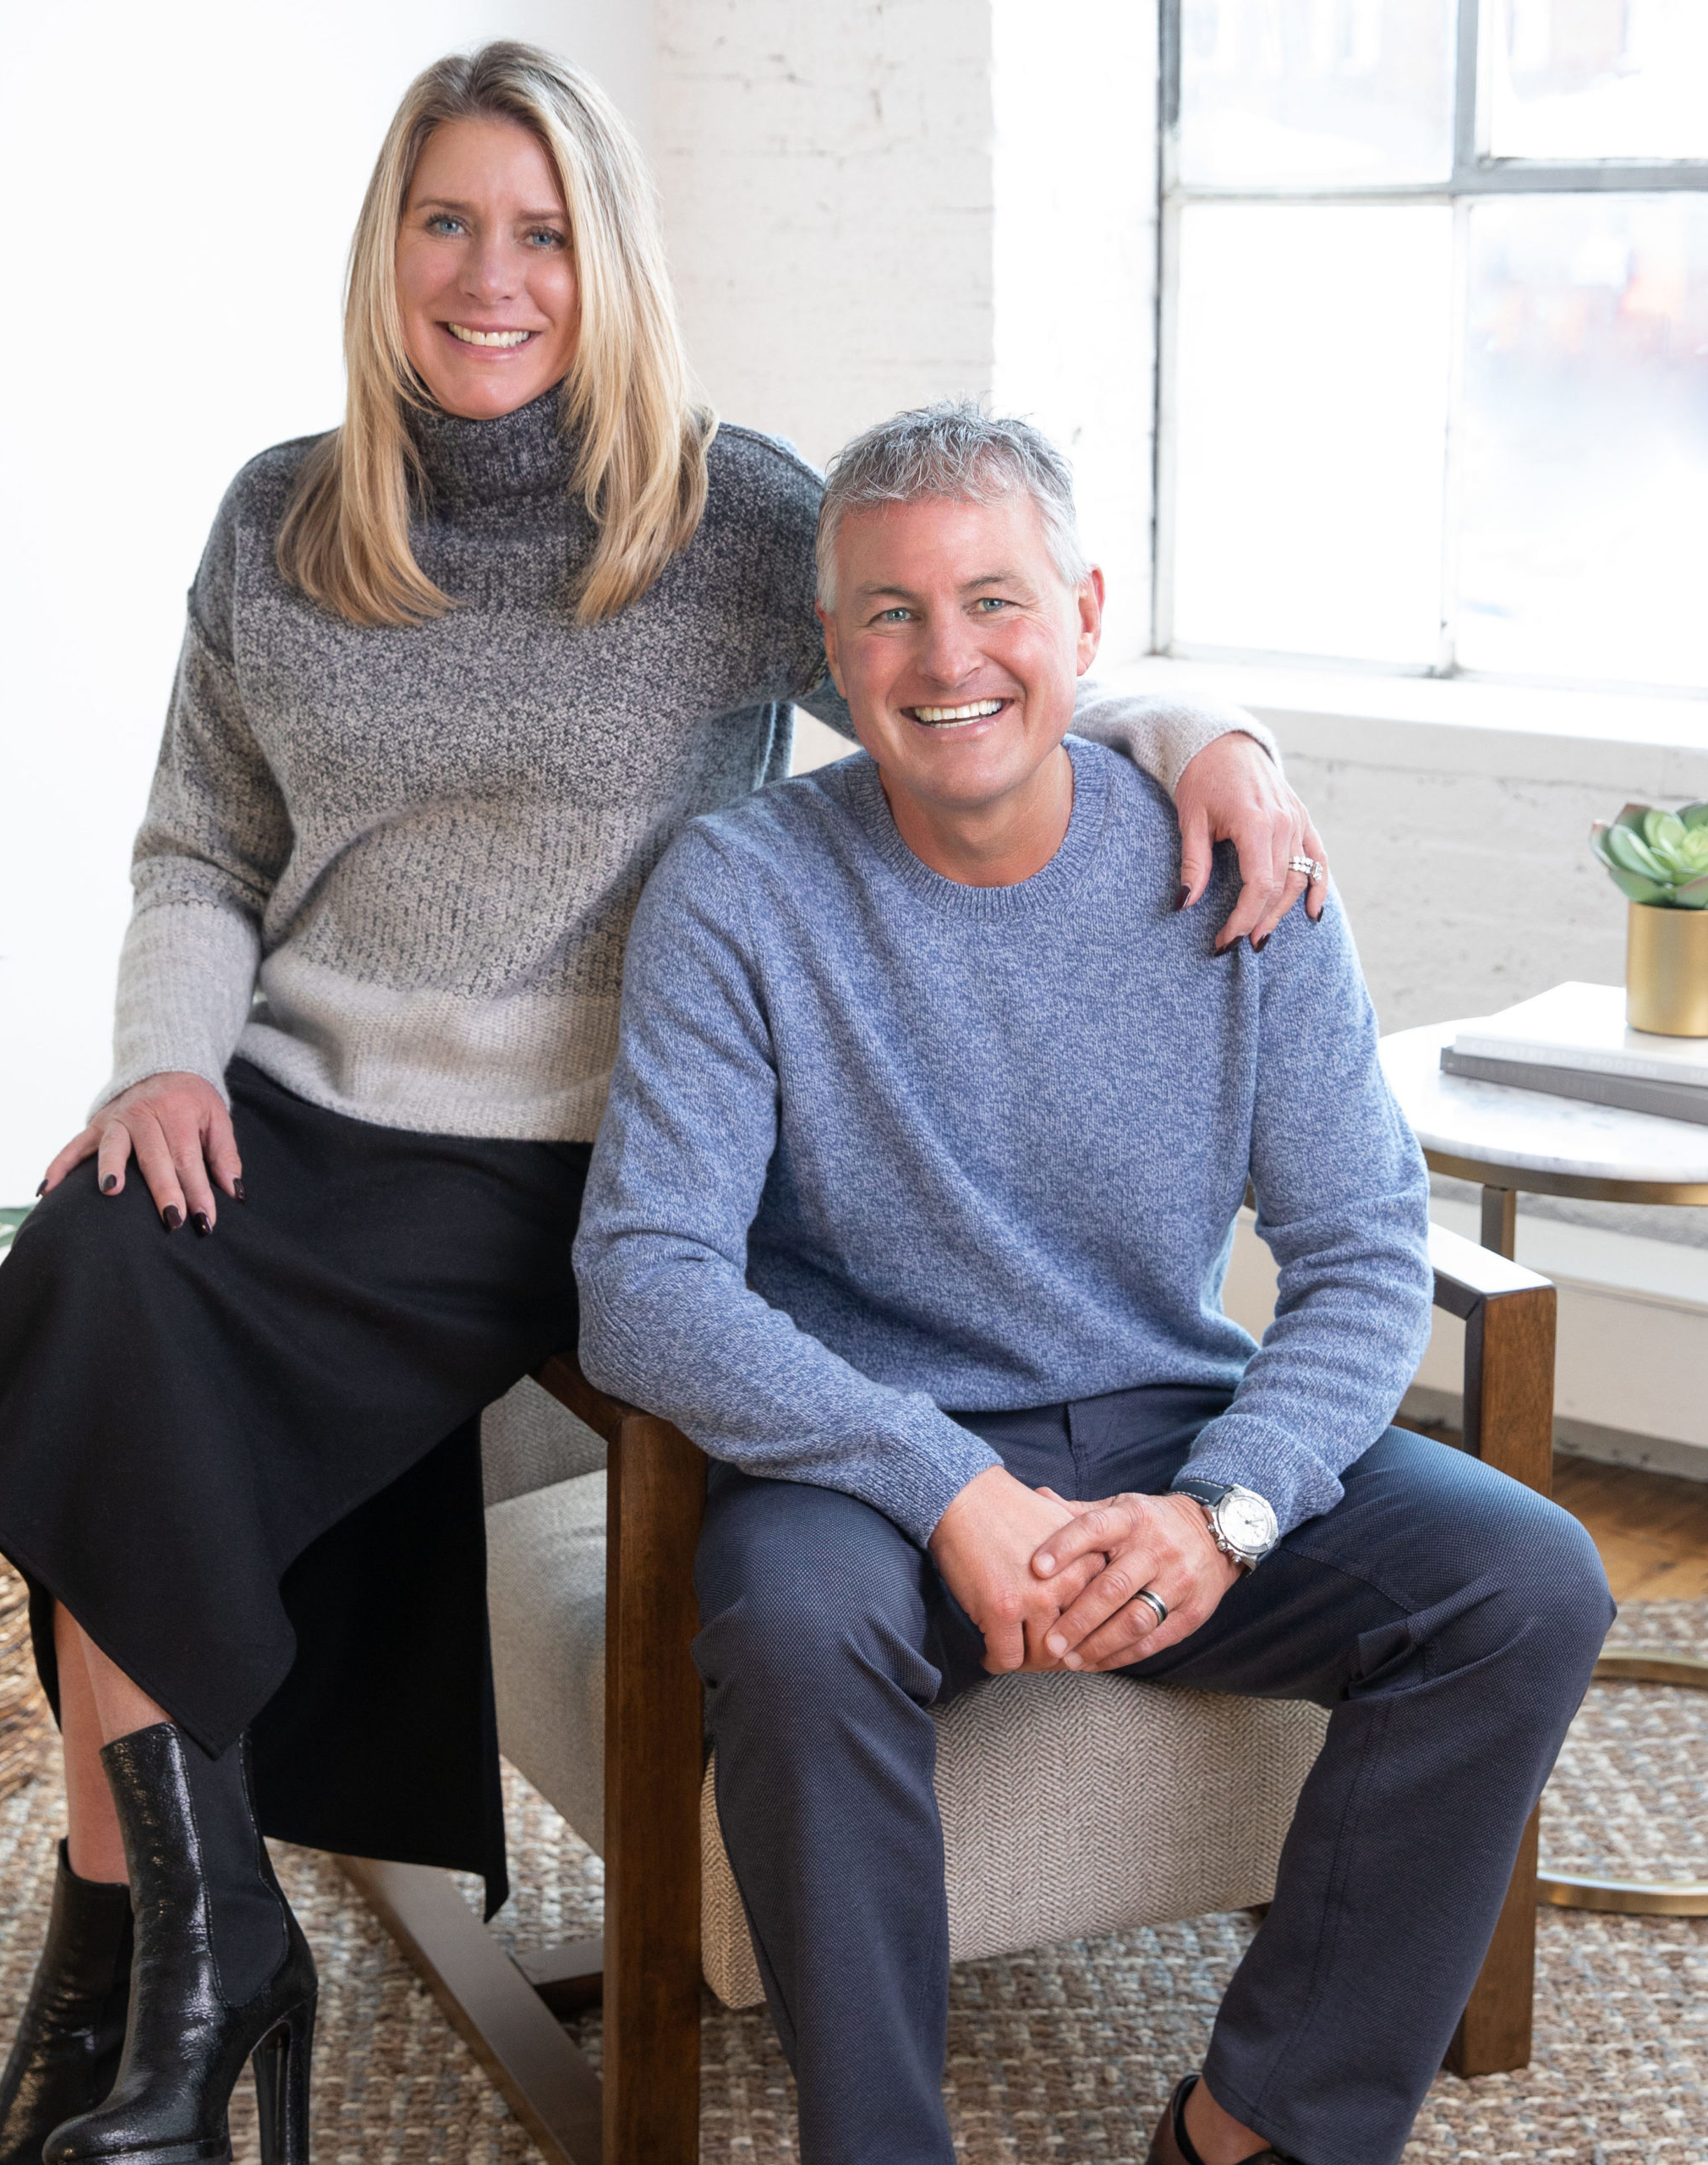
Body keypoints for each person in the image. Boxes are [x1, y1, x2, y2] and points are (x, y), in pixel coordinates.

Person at [0, 43, 1335, 2165]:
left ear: (606, 265)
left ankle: (138, 1982)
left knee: (116, 1349)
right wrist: (161, 1057)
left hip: (581, 1150)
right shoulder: (282, 519)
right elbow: (199, 847)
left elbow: (939, 655)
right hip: (307, 1104)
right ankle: (194, 1965)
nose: (493, 278)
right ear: (389, 248)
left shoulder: (719, 509)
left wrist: (1204, 725)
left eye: (543, 234)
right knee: (91, 1271)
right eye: (449, 224)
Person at [573, 402, 1616, 2165]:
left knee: (1525, 1579)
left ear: (1083, 616)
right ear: (832, 650)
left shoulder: (1238, 867)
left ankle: (1253, 2126)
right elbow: (640, 1280)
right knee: (788, 1621)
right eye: (888, 612)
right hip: (874, 1454)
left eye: (992, 598)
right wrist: (943, 1484)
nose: (945, 654)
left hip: (1167, 1417)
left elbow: (1360, 1243)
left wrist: (1224, 1506)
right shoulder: (741, 887)